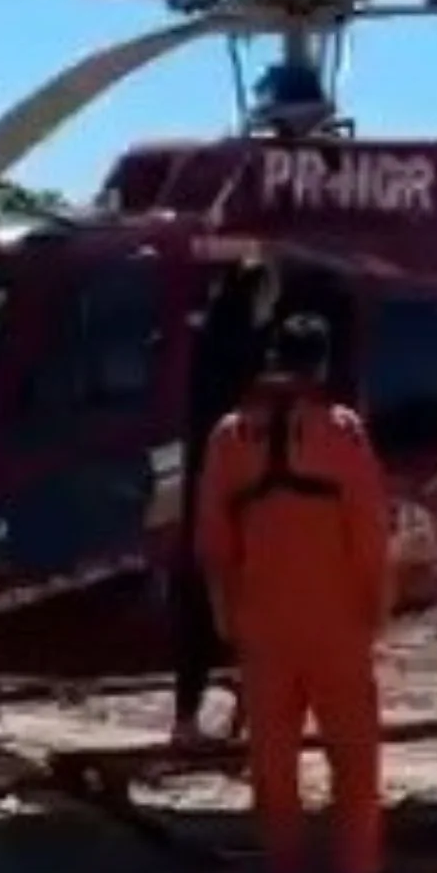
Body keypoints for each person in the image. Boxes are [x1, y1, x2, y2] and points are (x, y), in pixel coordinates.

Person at [194, 312, 393, 873]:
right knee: (354, 753)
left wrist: (224, 612)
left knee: (272, 756)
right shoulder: (342, 431)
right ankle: (358, 869)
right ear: (322, 363)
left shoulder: (230, 435)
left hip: (261, 619)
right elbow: (369, 531)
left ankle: (283, 867)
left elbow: (213, 540)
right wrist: (377, 607)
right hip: (337, 620)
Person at [171, 263, 280, 747]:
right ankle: (251, 714)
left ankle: (187, 718)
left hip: (197, 484)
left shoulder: (196, 343)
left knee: (196, 611)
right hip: (241, 490)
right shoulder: (253, 354)